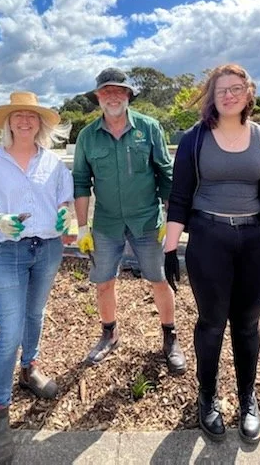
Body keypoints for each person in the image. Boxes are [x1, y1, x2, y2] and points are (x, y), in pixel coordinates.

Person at [164, 63, 260, 444]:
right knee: (211, 322)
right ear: (212, 96)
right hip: (208, 238)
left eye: (236, 88)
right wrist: (170, 249)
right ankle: (207, 397)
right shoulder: (194, 139)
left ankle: (247, 398)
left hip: (256, 242)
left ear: (249, 93)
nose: (229, 95)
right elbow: (179, 197)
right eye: (221, 89)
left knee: (248, 324)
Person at [0, 91, 74, 465]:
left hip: (48, 248)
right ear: (7, 123)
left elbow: (65, 200)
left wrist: (63, 215)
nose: (24, 121)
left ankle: (30, 369)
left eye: (31, 116)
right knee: (9, 331)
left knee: (35, 313)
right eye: (17, 116)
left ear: (40, 124)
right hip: (8, 250)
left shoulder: (54, 163)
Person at [72, 67, 186, 374]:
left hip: (147, 221)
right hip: (106, 224)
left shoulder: (149, 129)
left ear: (128, 95)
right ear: (98, 97)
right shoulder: (87, 137)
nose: (112, 96)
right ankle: (109, 333)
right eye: (105, 91)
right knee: (103, 282)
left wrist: (170, 216)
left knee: (159, 279)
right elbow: (81, 183)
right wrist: (82, 227)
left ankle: (170, 337)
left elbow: (166, 174)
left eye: (118, 90)